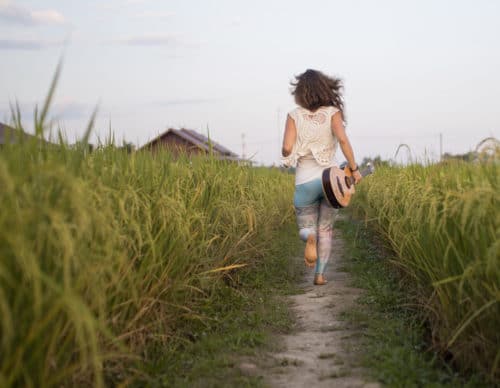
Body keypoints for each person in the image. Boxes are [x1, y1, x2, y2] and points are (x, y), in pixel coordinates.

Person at [281, 69, 362, 285]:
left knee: (306, 226)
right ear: (325, 89)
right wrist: (353, 168)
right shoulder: (332, 113)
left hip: (305, 182)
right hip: (331, 181)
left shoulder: (293, 116)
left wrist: (288, 152)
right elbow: (343, 141)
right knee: (326, 229)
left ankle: (309, 237)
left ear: (300, 92)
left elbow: (287, 147)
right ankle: (320, 275)